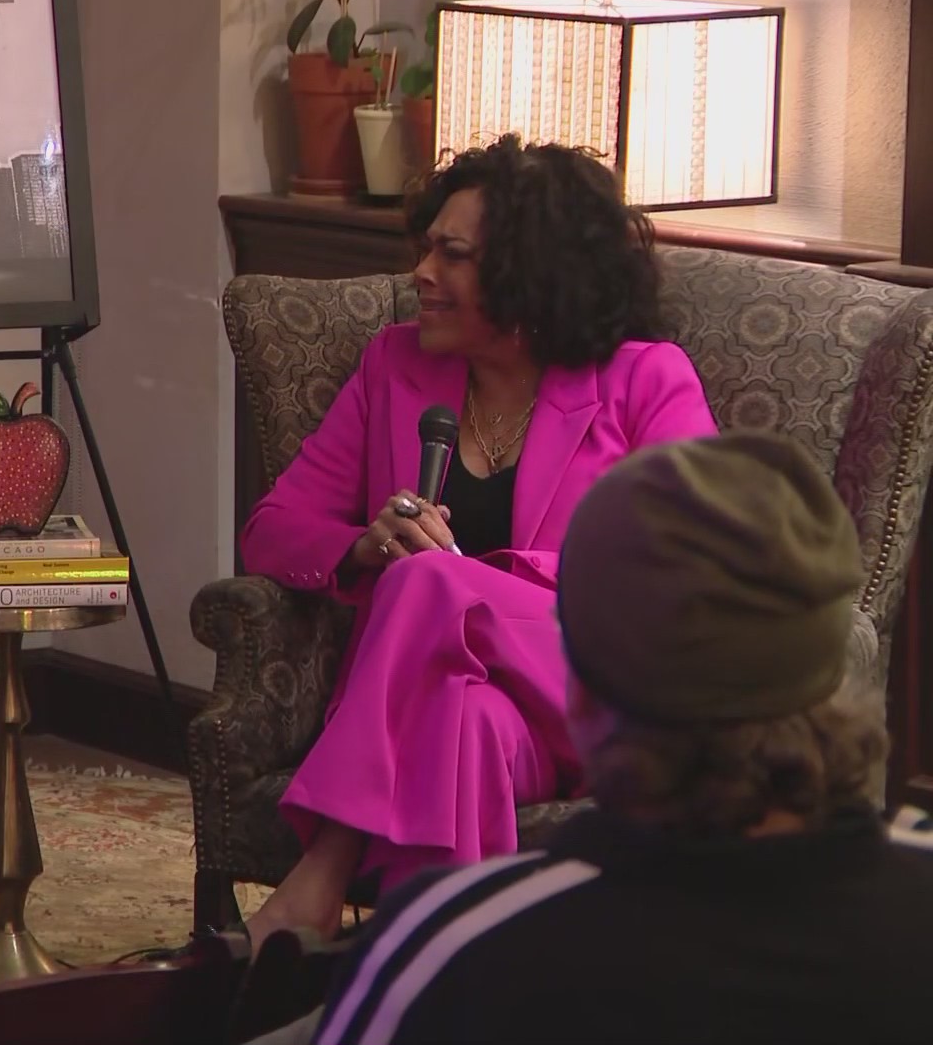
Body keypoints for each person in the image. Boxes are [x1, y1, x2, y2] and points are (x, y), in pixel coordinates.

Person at [285, 431, 933, 1045]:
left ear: (580, 692)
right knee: (469, 708)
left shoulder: (451, 943)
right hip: (482, 709)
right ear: (832, 677)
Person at [238, 134, 718, 944]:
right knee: (465, 722)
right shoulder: (394, 366)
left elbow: (696, 561)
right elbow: (272, 531)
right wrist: (366, 545)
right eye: (426, 249)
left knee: (429, 580)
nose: (422, 273)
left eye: (452, 256)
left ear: (531, 275)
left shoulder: (645, 379)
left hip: (597, 687)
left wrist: (478, 579)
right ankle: (436, 960)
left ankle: (319, 876)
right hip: (488, 717)